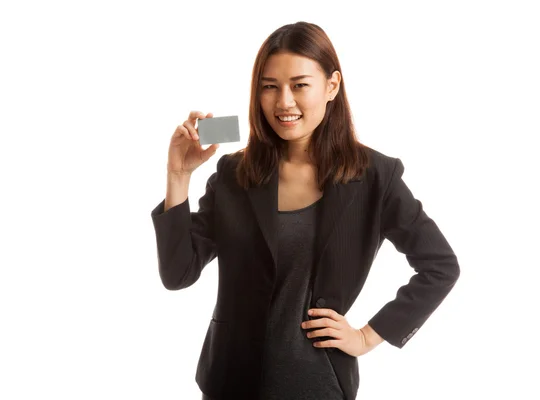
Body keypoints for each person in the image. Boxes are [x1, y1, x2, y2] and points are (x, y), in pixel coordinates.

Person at [151, 21, 460, 400]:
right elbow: (178, 273)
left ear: (331, 86)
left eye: (299, 85)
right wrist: (178, 176)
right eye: (269, 86)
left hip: (319, 384)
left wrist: (366, 336)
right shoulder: (234, 172)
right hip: (230, 382)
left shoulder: (375, 175)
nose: (283, 102)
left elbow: (440, 266)